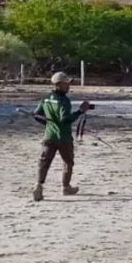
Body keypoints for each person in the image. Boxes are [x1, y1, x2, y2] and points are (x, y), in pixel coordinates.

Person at [31, 71, 93, 201]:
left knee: (44, 162)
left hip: (49, 136)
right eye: (66, 84)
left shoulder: (46, 98)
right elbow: (65, 119)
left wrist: (48, 124)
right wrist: (80, 111)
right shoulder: (64, 101)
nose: (69, 86)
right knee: (68, 162)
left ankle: (38, 185)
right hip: (63, 137)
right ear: (58, 84)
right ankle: (66, 187)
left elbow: (36, 115)